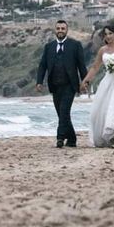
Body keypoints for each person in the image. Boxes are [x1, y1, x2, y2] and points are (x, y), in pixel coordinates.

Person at [36, 20, 88, 148]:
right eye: (58, 28)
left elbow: (81, 65)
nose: (60, 30)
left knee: (64, 111)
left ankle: (60, 138)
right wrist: (39, 82)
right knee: (61, 113)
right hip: (54, 85)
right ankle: (72, 139)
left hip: (70, 85)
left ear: (67, 30)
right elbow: (42, 66)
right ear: (55, 30)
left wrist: (85, 82)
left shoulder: (75, 45)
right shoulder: (49, 47)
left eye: (63, 28)